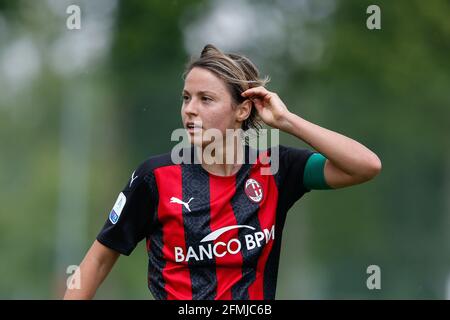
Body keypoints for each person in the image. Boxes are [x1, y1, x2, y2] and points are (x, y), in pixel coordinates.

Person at [64, 44, 382, 300]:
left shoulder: (276, 169)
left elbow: (366, 166)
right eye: (186, 98)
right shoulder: (156, 178)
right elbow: (98, 260)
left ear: (242, 109)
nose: (190, 109)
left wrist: (287, 122)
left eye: (206, 99)